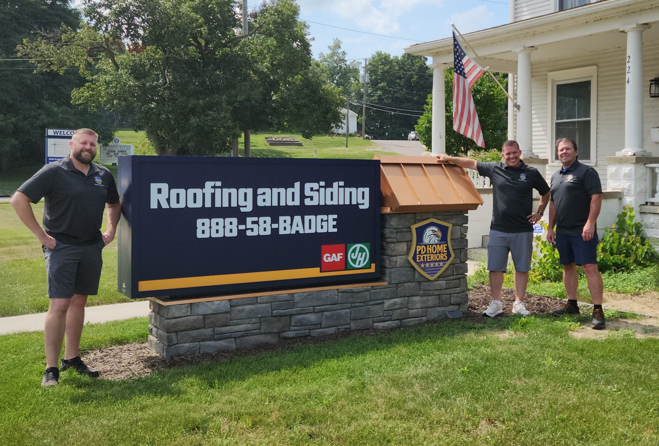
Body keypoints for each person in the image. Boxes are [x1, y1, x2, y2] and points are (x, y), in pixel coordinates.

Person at [11, 128, 121, 386]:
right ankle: (51, 368)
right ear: (72, 144)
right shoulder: (54, 171)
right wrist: (41, 237)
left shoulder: (102, 174)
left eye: (93, 144)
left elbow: (114, 203)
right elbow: (19, 199)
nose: (88, 147)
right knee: (59, 304)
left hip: (91, 246)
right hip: (61, 246)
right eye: (84, 142)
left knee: (79, 301)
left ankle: (72, 358)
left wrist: (111, 230)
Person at [435, 140, 550, 317]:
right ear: (503, 155)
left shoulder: (531, 173)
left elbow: (546, 192)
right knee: (495, 267)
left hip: (523, 229)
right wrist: (448, 158)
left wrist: (539, 213)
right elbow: (472, 163)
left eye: (514, 153)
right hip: (498, 228)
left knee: (522, 267)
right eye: (508, 153)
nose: (511, 156)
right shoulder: (495, 168)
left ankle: (518, 303)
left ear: (519, 153)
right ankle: (496, 303)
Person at [547, 138, 605, 329]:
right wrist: (550, 228)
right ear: (558, 153)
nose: (564, 152)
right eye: (561, 150)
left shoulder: (586, 172)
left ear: (576, 152)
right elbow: (553, 203)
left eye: (568, 149)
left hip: (582, 231)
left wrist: (590, 223)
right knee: (568, 266)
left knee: (589, 267)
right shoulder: (556, 176)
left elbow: (596, 197)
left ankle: (597, 310)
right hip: (563, 231)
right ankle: (572, 305)